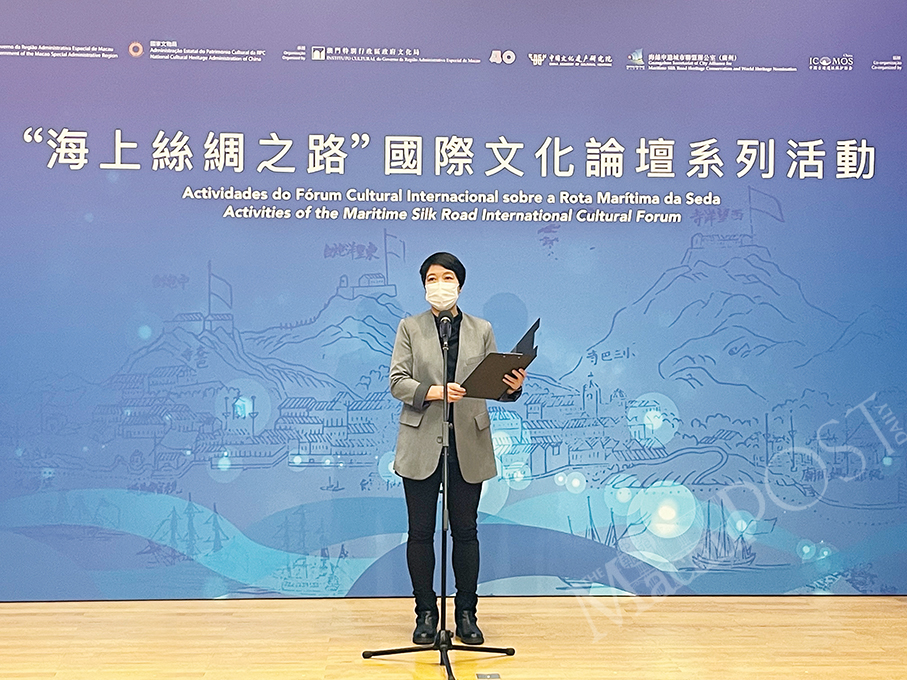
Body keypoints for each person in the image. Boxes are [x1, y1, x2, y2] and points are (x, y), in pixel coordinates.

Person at [389, 252, 526, 646]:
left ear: (460, 285)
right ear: (424, 286)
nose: (440, 284)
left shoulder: (482, 329)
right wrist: (434, 392)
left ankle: (466, 613)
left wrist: (512, 387)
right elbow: (397, 381)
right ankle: (426, 614)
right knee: (420, 532)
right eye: (432, 278)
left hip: (468, 440)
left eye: (447, 277)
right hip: (420, 441)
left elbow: (492, 384)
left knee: (465, 532)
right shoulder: (409, 327)